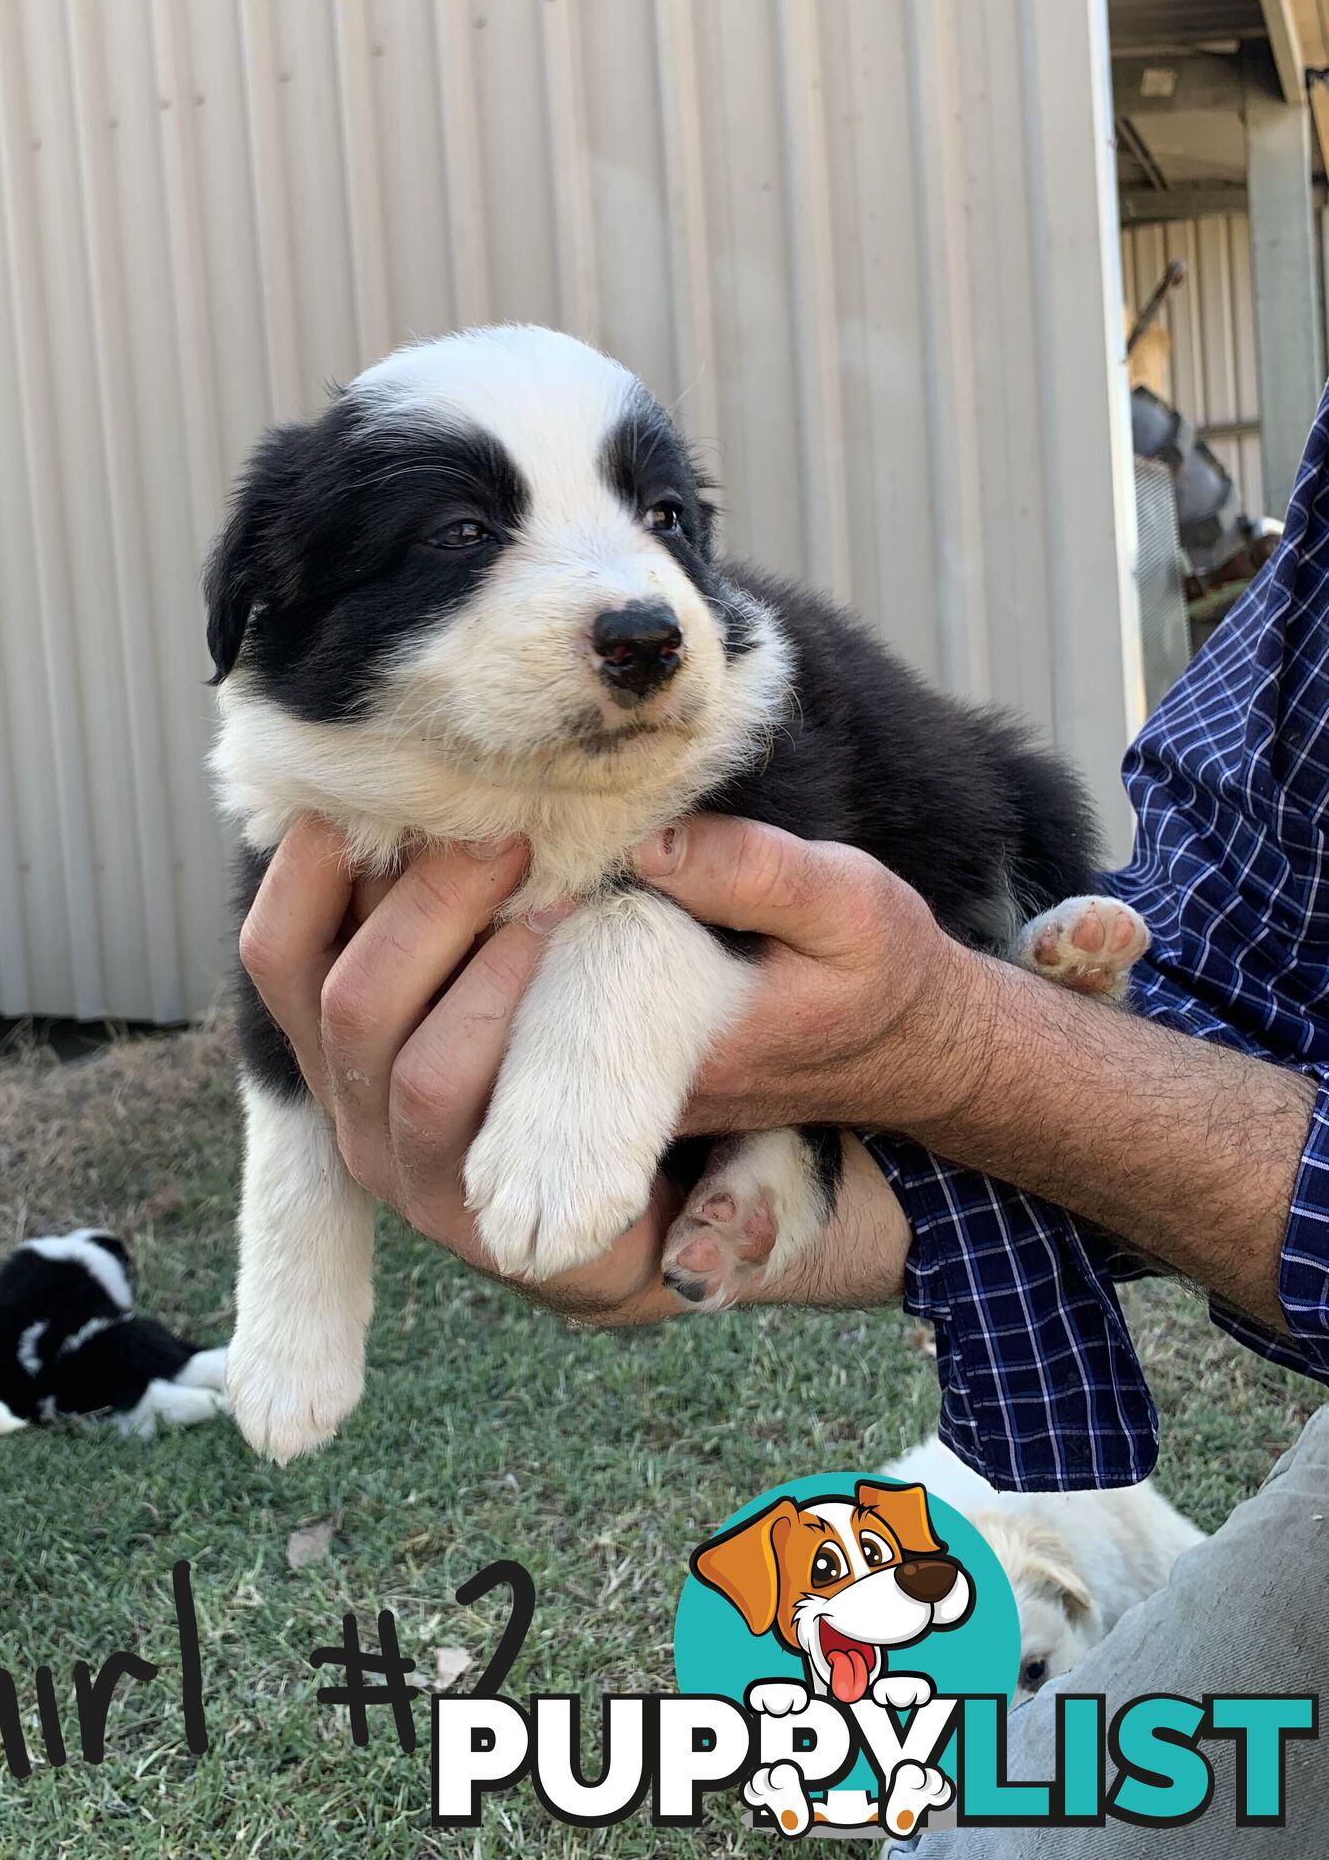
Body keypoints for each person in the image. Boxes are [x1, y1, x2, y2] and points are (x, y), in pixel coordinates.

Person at [239, 393, 1329, 1854]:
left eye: (667, 524)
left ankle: (885, 1081)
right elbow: (1239, 947)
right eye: (457, 531)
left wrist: (972, 1035)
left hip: (950, 909)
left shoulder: (733, 740)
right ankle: (810, 1156)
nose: (636, 587)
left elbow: (747, 936)